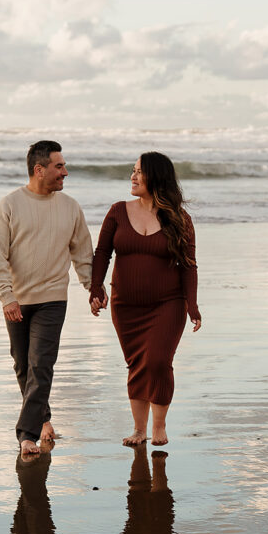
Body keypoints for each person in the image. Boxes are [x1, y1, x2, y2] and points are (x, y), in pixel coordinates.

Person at [0, 140, 100, 456]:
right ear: (40, 170)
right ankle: (43, 419)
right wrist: (6, 296)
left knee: (41, 365)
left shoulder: (70, 207)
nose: (65, 172)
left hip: (53, 298)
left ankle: (27, 435)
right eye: (59, 166)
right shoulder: (9, 205)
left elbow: (82, 253)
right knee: (23, 365)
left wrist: (92, 289)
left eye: (64, 165)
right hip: (17, 299)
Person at [89, 151, 201, 446]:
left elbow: (189, 265)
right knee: (137, 363)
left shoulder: (179, 218)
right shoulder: (117, 211)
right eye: (132, 170)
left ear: (156, 177)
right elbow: (102, 253)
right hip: (126, 305)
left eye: (139, 171)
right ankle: (139, 430)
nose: (133, 176)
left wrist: (193, 305)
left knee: (158, 361)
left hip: (168, 303)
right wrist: (96, 288)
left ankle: (159, 427)